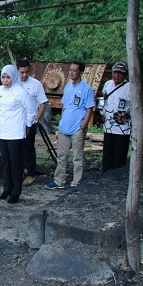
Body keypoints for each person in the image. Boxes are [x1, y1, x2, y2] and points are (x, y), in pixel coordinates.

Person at [45, 61, 95, 191]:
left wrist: (82, 127)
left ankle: (76, 182)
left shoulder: (87, 89)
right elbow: (65, 107)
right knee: (62, 156)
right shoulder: (67, 88)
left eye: (74, 70)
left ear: (81, 73)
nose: (71, 72)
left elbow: (89, 110)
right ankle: (59, 181)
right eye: (70, 70)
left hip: (77, 128)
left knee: (77, 158)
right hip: (64, 128)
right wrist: (61, 123)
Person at [0, 65, 36, 204]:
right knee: (5, 163)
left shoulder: (20, 92)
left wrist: (28, 127)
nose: (5, 80)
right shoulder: (0, 90)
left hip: (16, 133)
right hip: (3, 132)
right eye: (3, 77)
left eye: (8, 77)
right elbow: (0, 108)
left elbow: (31, 111)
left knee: (15, 164)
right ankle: (7, 188)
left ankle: (16, 192)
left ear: (13, 77)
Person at [17, 60, 48, 187]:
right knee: (17, 148)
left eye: (26, 72)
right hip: (16, 122)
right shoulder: (13, 83)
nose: (24, 75)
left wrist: (36, 119)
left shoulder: (36, 84)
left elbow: (42, 103)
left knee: (29, 147)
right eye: (21, 72)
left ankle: (30, 173)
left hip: (30, 122)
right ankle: (18, 171)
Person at [101, 62, 132, 172]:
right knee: (108, 151)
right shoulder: (108, 84)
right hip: (108, 124)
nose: (116, 75)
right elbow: (104, 100)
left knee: (120, 152)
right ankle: (106, 172)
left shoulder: (129, 87)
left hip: (122, 126)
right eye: (115, 72)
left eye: (120, 73)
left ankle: (118, 174)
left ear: (125, 74)